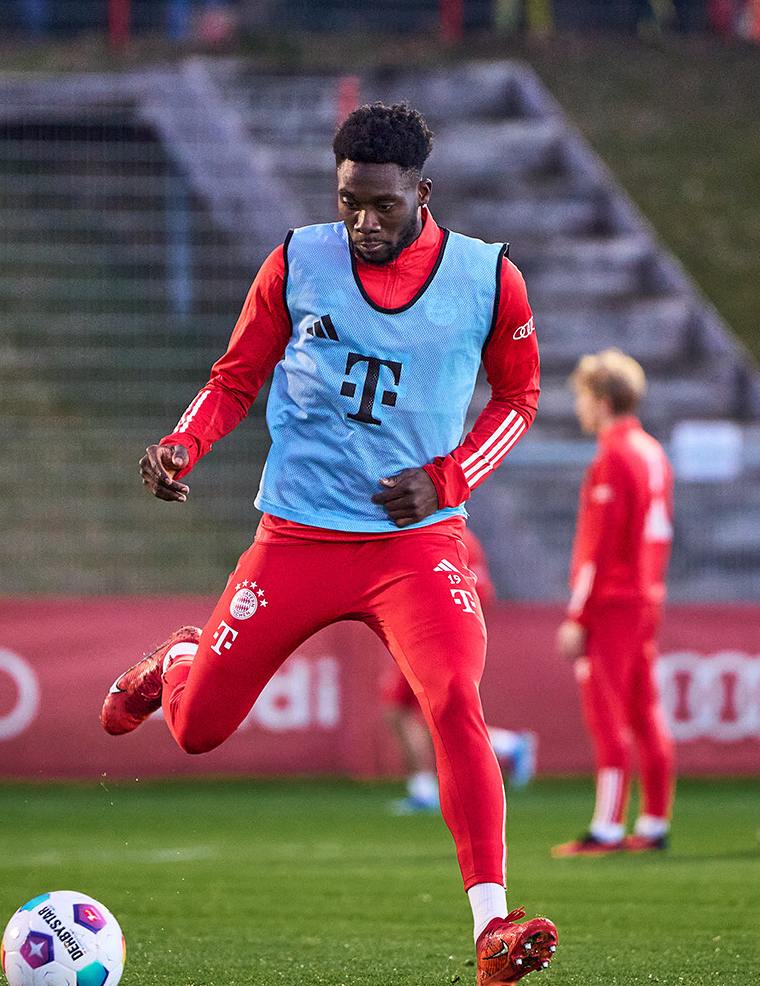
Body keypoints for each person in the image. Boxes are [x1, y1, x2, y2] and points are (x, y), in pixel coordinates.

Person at [103, 102, 558, 986]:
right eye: (349, 200)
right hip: (296, 540)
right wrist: (182, 443)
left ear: (422, 194)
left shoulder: (488, 278)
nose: (363, 222)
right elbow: (236, 377)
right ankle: (181, 659)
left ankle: (492, 929)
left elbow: (520, 401)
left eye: (383, 204)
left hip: (416, 545)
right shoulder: (297, 259)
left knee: (454, 699)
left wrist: (449, 477)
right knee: (196, 733)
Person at [549, 349, 676, 857]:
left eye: (581, 396)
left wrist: (579, 615)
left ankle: (606, 826)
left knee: (607, 714)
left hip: (614, 601)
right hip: (646, 595)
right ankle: (655, 819)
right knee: (645, 709)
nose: (579, 407)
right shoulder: (652, 451)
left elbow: (601, 546)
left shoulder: (612, 457)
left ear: (601, 401)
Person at [386, 525, 537, 815]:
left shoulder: (449, 537)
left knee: (402, 708)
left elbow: (478, 591)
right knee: (433, 712)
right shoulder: (453, 535)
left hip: (432, 635)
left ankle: (425, 790)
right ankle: (508, 745)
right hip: (426, 632)